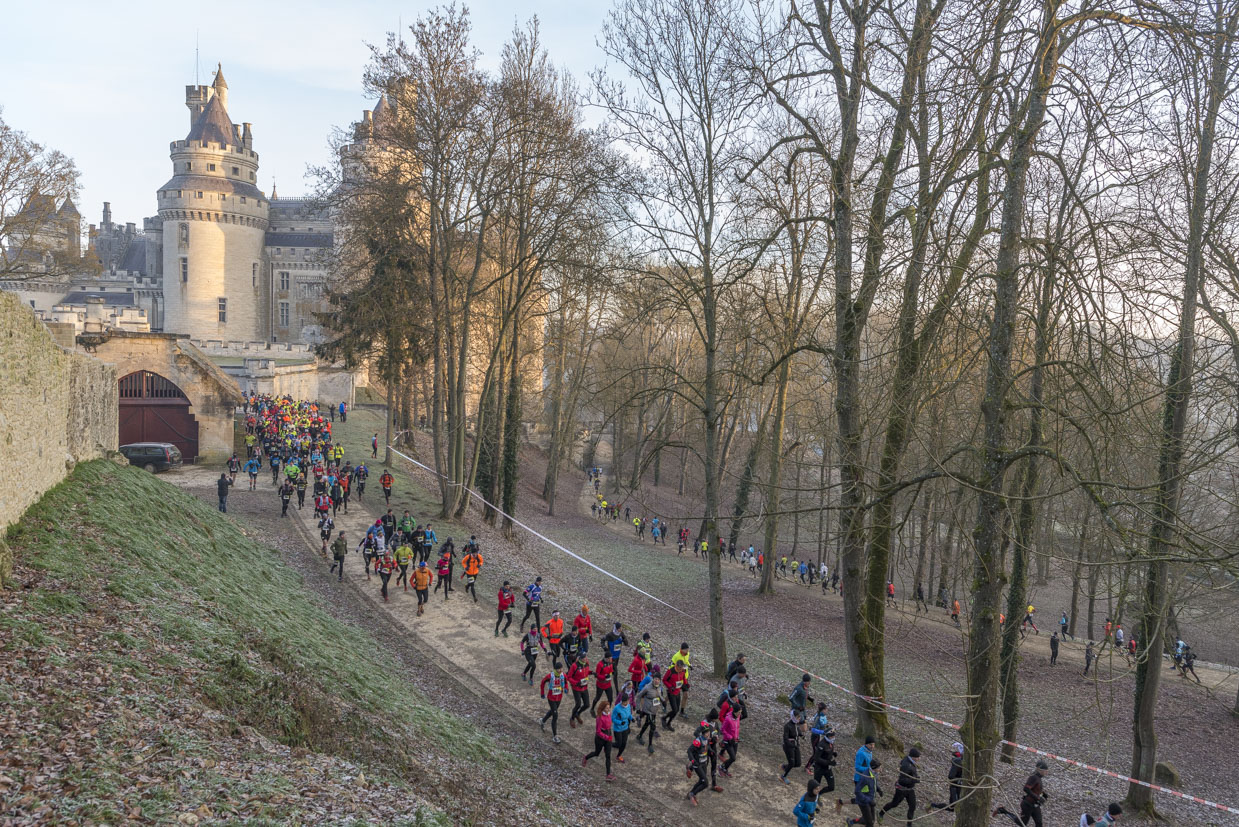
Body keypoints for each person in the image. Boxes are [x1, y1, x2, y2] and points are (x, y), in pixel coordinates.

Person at [995, 760, 1049, 827]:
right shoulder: (1033, 777)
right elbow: (1026, 788)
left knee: (1039, 824)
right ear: (1040, 770)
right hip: (1027, 805)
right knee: (1022, 823)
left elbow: (1035, 789)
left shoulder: (1039, 778)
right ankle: (1003, 811)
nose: (1047, 773)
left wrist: (1043, 794)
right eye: (1046, 771)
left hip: (1035, 806)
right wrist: (1038, 797)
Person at [879, 747, 920, 826]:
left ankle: (909, 825)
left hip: (910, 789)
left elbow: (911, 774)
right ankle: (881, 813)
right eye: (918, 757)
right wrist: (914, 780)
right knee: (894, 804)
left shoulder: (910, 762)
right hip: (901, 789)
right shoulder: (906, 765)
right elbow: (902, 780)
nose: (919, 759)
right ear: (913, 757)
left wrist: (915, 778)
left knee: (912, 806)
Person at [634, 666, 664, 753]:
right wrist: (638, 708)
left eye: (658, 679)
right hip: (648, 709)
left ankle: (639, 736)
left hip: (654, 710)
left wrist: (662, 701)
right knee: (652, 726)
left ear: (660, 680)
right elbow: (639, 696)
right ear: (653, 678)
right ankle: (650, 745)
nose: (656, 680)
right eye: (655, 679)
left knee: (647, 724)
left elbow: (659, 695)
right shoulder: (647, 687)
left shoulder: (659, 686)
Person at [844, 757, 881, 827]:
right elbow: (857, 791)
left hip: (870, 799)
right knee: (869, 824)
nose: (880, 769)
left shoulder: (874, 773)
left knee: (871, 820)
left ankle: (851, 822)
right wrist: (868, 800)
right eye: (879, 768)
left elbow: (873, 783)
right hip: (863, 802)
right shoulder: (865, 777)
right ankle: (851, 822)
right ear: (874, 768)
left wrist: (879, 789)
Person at [929, 742, 965, 813]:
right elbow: (951, 776)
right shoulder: (958, 762)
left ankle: (933, 805)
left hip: (961, 787)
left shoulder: (967, 763)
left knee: (953, 808)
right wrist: (959, 780)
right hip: (955, 787)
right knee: (953, 807)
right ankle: (933, 805)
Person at [539, 660, 566, 744]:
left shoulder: (563, 675)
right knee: (555, 715)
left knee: (552, 711)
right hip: (551, 698)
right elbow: (542, 682)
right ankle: (555, 736)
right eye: (559, 669)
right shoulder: (550, 676)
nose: (561, 670)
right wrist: (542, 692)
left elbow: (566, 681)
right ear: (555, 669)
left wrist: (566, 688)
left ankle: (542, 720)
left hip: (559, 698)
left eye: (561, 668)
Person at [779, 711, 805, 784]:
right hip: (788, 747)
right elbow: (785, 739)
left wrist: (802, 736)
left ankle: (784, 766)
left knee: (798, 763)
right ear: (793, 717)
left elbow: (798, 732)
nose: (799, 719)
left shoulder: (796, 725)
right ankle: (783, 777)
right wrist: (792, 745)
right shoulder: (787, 726)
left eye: (799, 717)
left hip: (796, 745)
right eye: (797, 717)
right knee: (792, 763)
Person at [567, 655, 592, 728]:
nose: (585, 659)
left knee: (587, 704)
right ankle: (572, 718)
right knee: (578, 704)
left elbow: (586, 672)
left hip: (584, 687)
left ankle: (577, 713)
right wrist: (576, 682)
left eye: (586, 657)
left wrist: (592, 672)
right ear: (580, 659)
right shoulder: (574, 666)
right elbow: (569, 677)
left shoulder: (587, 663)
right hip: (576, 688)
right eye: (583, 658)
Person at [686, 735, 710, 806]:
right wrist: (693, 760)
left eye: (708, 732)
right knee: (705, 783)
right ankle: (692, 794)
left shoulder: (707, 739)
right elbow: (689, 750)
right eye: (706, 733)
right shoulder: (698, 740)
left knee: (701, 780)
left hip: (704, 763)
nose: (708, 734)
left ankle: (690, 793)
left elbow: (706, 748)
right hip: (697, 765)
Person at [662, 661, 686, 730]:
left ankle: (667, 722)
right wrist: (670, 686)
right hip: (671, 693)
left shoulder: (683, 671)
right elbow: (664, 680)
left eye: (681, 668)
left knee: (677, 710)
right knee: (675, 710)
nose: (680, 670)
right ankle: (665, 719)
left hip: (678, 692)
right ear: (676, 666)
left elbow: (684, 678)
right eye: (679, 668)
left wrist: (686, 684)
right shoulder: (670, 671)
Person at [719, 702, 740, 777]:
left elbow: (737, 727)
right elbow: (722, 729)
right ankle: (721, 767)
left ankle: (724, 768)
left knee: (733, 757)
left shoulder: (738, 717)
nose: (739, 714)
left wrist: (737, 737)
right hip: (728, 741)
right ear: (734, 712)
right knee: (733, 758)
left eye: (740, 712)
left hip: (735, 740)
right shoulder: (728, 719)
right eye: (738, 712)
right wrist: (730, 737)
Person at [671, 642, 691, 717]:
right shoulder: (676, 656)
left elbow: (686, 661)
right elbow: (671, 665)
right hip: (677, 678)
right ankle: (664, 703)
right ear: (682, 650)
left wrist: (689, 665)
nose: (687, 651)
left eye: (688, 649)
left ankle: (682, 712)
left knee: (686, 695)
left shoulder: (688, 654)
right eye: (686, 649)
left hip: (684, 678)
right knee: (673, 692)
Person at [611, 694, 633, 764]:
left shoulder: (628, 706)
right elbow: (613, 719)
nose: (626, 703)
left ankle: (618, 756)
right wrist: (620, 722)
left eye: (627, 701)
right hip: (617, 729)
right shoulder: (617, 708)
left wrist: (632, 718)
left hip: (625, 728)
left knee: (624, 743)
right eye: (624, 702)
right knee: (618, 744)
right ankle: (608, 744)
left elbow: (629, 714)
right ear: (621, 701)